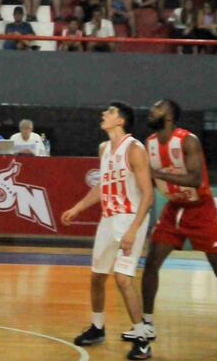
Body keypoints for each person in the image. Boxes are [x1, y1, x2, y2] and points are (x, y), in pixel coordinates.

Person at [136, 100, 217, 351]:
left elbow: (195, 178)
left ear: (170, 116)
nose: (151, 111)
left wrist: (157, 174)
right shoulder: (149, 143)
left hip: (200, 209)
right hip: (173, 209)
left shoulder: (188, 141)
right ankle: (147, 322)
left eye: (157, 108)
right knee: (151, 262)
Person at [62, 102, 153, 361]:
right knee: (97, 276)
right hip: (108, 218)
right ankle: (97, 327)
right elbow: (103, 186)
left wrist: (133, 231)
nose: (104, 114)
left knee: (123, 279)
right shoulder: (104, 148)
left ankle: (143, 338)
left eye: (110, 112)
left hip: (131, 218)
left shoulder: (134, 149)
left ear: (121, 120)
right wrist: (78, 208)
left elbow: (148, 194)